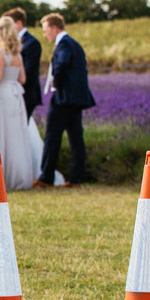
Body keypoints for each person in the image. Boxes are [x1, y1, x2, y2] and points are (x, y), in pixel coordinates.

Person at [35, 13, 96, 188]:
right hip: (76, 100)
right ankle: (76, 178)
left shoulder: (64, 45)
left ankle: (46, 177)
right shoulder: (74, 44)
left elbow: (61, 65)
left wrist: (55, 82)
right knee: (76, 139)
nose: (45, 34)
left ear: (55, 28)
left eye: (46, 30)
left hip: (63, 99)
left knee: (52, 138)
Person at [0, 17, 39, 190]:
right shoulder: (17, 54)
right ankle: (20, 177)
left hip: (1, 96)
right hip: (15, 96)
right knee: (15, 136)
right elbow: (22, 79)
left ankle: (0, 177)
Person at [5, 8, 42, 122]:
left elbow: (30, 72)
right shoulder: (11, 41)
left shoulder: (31, 43)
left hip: (26, 95)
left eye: (9, 25)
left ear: (19, 23)